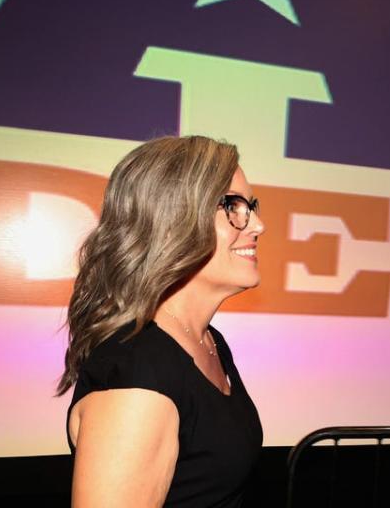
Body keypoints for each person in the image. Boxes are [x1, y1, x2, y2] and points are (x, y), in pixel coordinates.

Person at [56, 135, 264, 507]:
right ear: (171, 220)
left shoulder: (209, 341)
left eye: (251, 205)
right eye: (233, 205)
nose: (257, 225)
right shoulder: (139, 374)